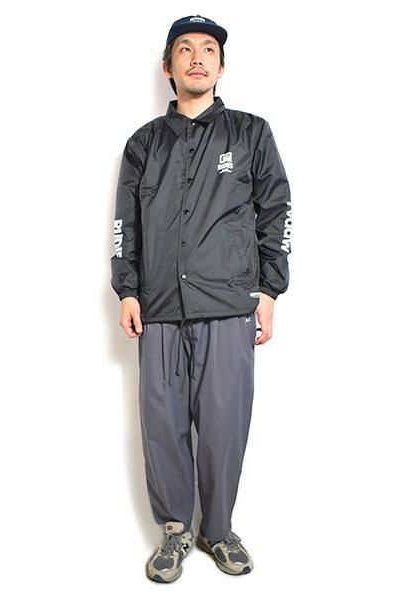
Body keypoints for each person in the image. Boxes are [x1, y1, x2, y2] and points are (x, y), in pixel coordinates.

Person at [110, 14, 292, 583]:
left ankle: (218, 529)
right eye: (184, 49)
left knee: (222, 424)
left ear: (221, 65)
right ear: (167, 66)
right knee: (162, 424)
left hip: (229, 305)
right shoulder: (143, 144)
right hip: (160, 306)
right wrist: (127, 288)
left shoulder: (250, 134)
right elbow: (125, 224)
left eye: (208, 49)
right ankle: (175, 531)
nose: (197, 58)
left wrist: (269, 289)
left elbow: (276, 212)